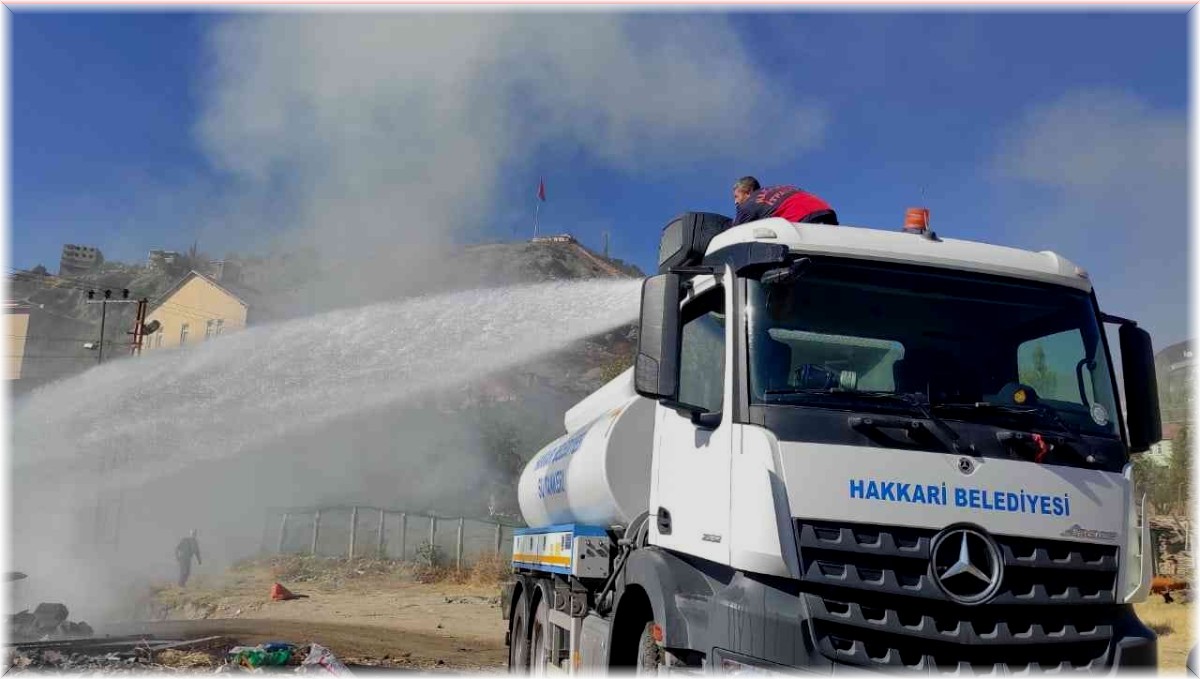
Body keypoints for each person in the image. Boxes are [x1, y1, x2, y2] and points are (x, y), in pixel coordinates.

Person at [732, 176, 838, 226]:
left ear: (748, 192)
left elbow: (734, 232)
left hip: (803, 219)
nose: (736, 202)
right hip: (826, 211)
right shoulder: (780, 187)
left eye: (736, 196)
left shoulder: (749, 204)